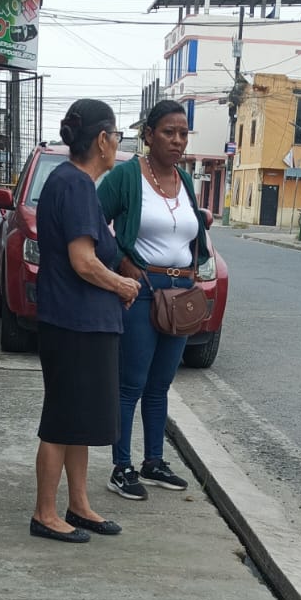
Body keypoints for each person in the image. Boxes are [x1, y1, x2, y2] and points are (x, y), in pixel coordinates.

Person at [30, 98, 140, 543]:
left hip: (83, 323)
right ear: (102, 140)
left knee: (78, 420)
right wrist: (122, 286)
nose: (117, 144)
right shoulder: (73, 185)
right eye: (117, 137)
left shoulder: (74, 183)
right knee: (61, 419)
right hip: (73, 324)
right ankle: (44, 513)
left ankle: (78, 504)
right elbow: (83, 261)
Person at [97, 99, 210, 502]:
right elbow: (93, 221)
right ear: (148, 135)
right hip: (143, 290)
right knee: (131, 383)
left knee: (161, 384)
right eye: (169, 132)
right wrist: (121, 261)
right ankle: (121, 467)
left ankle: (154, 461)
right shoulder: (127, 176)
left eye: (183, 133)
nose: (177, 140)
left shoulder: (185, 181)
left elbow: (192, 231)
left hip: (181, 294)